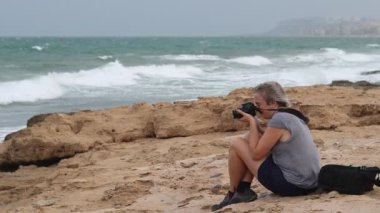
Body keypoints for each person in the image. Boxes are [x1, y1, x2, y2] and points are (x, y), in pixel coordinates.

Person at [212, 81, 320, 211]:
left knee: (236, 144)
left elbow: (256, 154)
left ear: (273, 103)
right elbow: (269, 140)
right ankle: (242, 189)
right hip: (309, 183)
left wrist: (252, 121)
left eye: (258, 105)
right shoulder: (291, 115)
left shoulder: (278, 120)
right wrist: (256, 126)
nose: (257, 109)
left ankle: (232, 193)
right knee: (248, 139)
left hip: (292, 185)